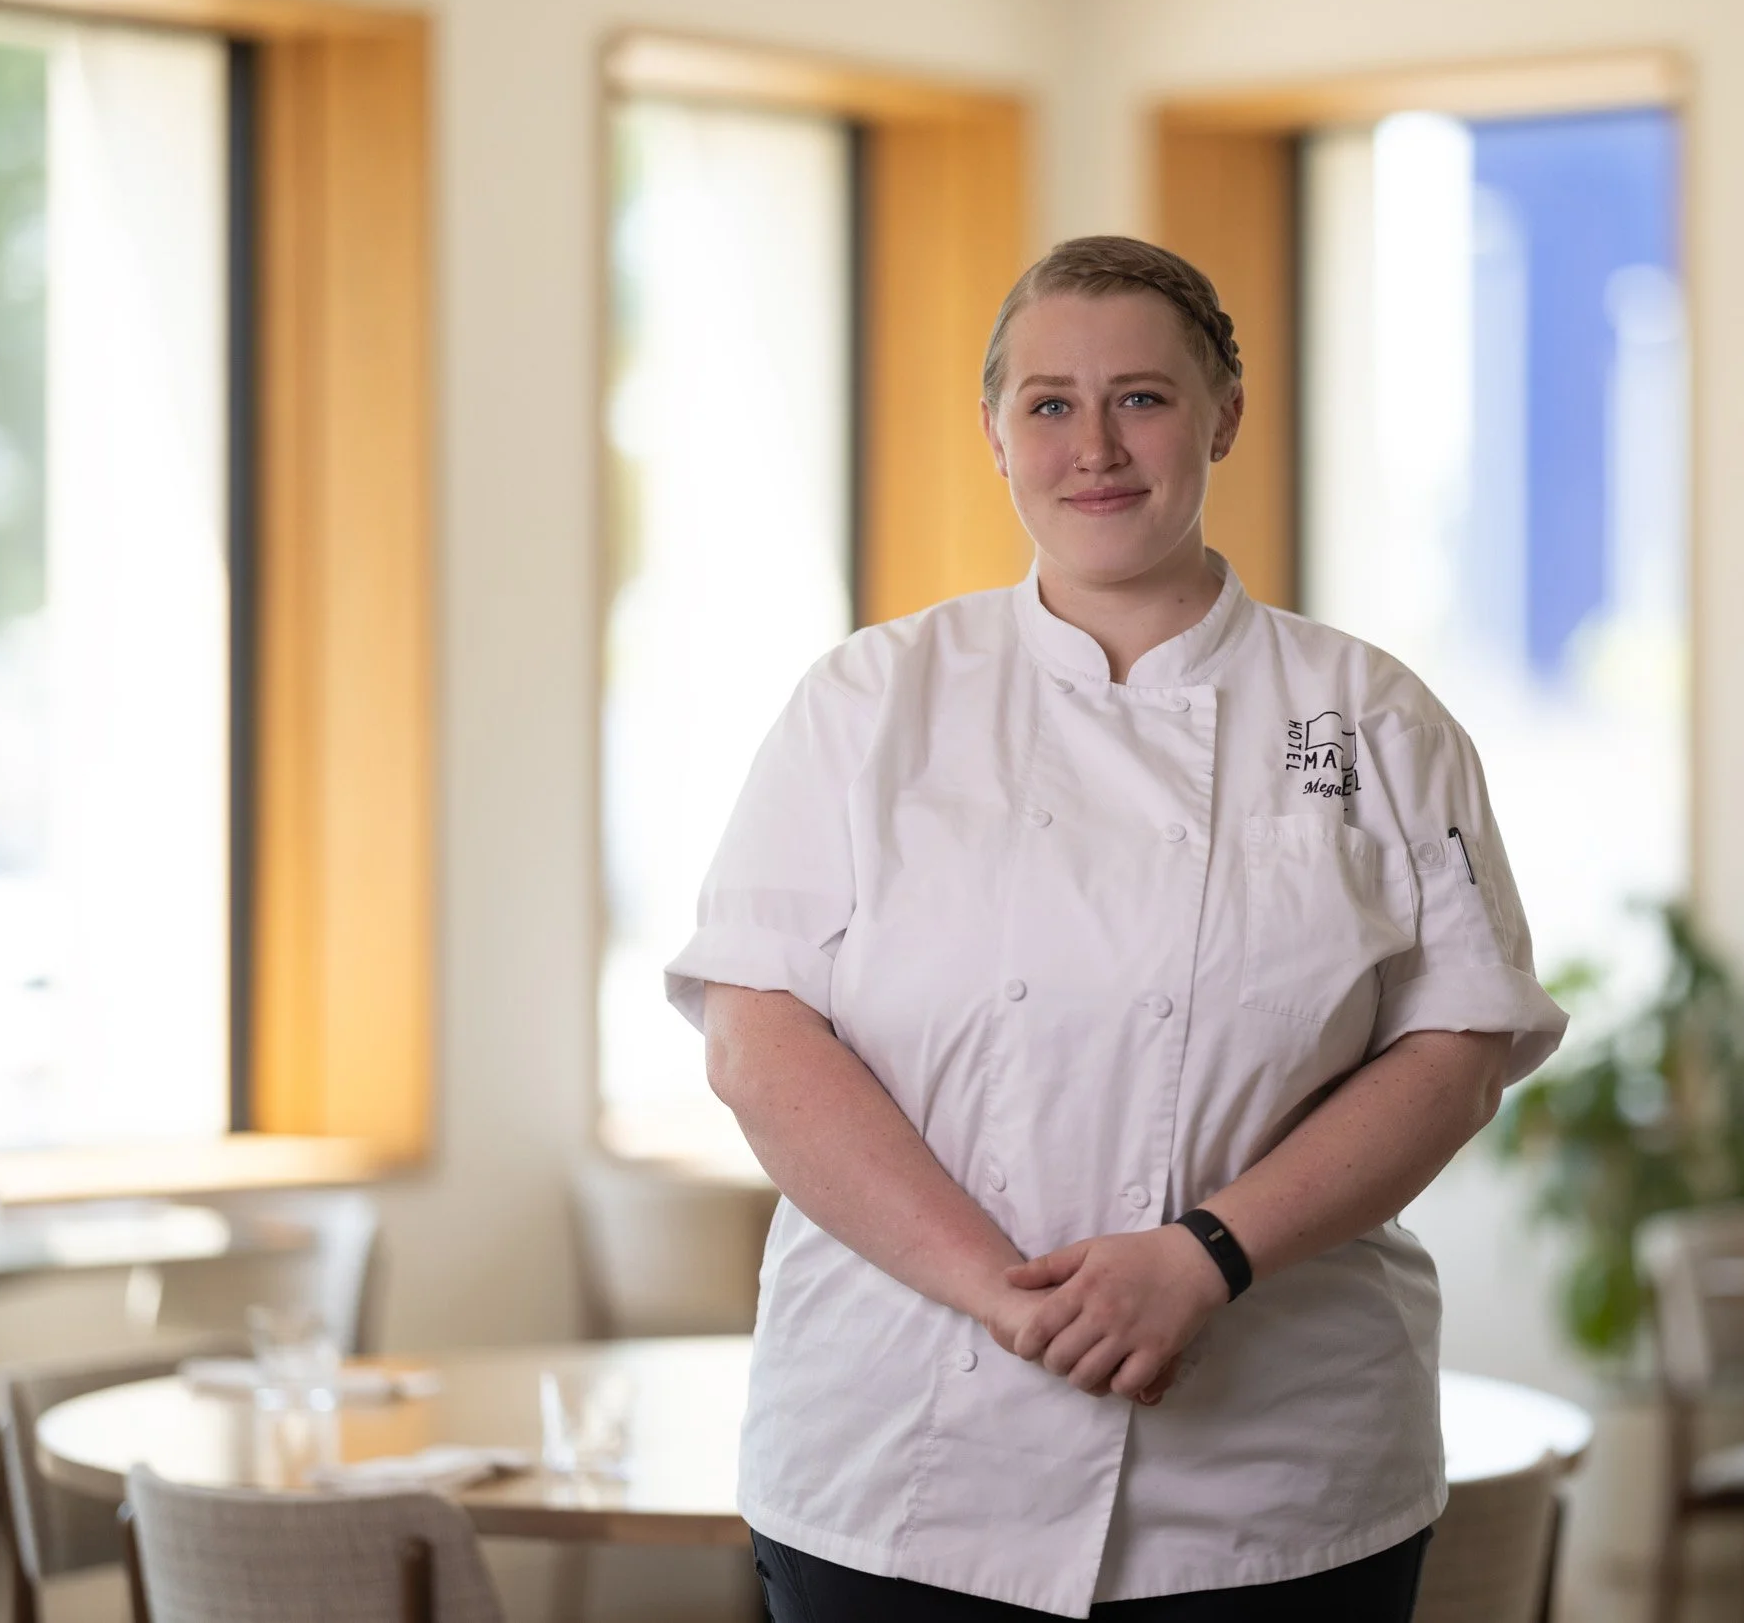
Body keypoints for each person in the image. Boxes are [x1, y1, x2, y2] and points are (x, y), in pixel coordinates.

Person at [667, 235, 1568, 1622]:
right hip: (902, 1450)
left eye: (1142, 398)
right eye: (1049, 405)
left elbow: (1452, 1055)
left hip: (1272, 1473)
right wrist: (1004, 1294)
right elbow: (756, 1039)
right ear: (993, 432)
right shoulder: (867, 702)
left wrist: (1203, 1255)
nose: (1095, 445)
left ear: (1224, 414)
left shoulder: (1373, 715)